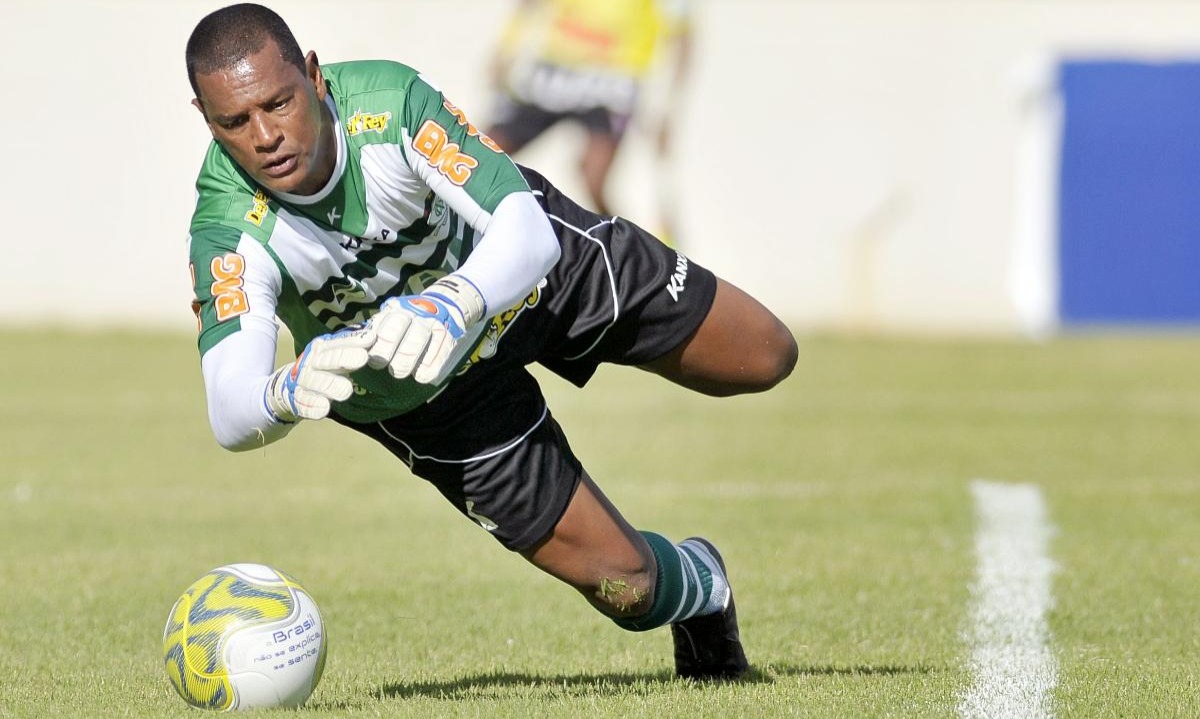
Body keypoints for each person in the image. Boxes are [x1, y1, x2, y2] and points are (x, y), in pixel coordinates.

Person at [184, 3, 795, 683]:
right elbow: (229, 409)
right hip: (429, 395)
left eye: (278, 102)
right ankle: (705, 589)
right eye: (236, 122)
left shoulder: (387, 104)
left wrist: (454, 300)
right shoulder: (227, 225)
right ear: (207, 121)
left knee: (766, 354)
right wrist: (286, 389)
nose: (266, 135)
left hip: (525, 277)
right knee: (629, 588)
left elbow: (526, 232)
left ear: (314, 76)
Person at [485, 0, 692, 243]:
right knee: (487, 150)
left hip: (615, 76)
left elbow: (682, 37)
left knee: (593, 177)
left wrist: (666, 106)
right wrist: (506, 48)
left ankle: (632, 252)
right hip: (556, 64)